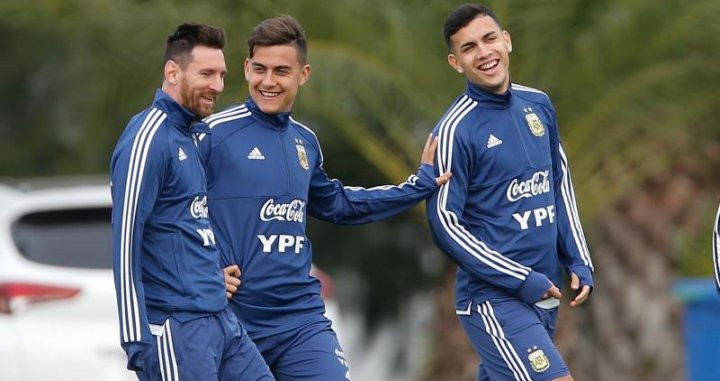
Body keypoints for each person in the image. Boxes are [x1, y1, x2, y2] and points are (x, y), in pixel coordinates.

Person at [197, 15, 450, 381]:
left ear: (304, 74)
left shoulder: (305, 142)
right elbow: (172, 211)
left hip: (302, 320)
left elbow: (339, 204)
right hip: (236, 322)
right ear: (246, 68)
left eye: (281, 71)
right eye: (259, 69)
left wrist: (418, 185)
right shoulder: (213, 135)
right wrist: (205, 271)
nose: (268, 81)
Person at [425, 4, 595, 381]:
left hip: (545, 292)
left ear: (507, 40)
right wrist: (520, 279)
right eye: (469, 48)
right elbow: (444, 223)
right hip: (494, 299)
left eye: (489, 39)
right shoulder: (455, 130)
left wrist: (578, 259)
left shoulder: (538, 104)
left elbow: (559, 184)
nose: (484, 53)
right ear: (456, 63)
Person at [110, 23, 273, 380]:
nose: (217, 85)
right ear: (173, 72)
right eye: (207, 74)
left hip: (220, 321)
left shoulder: (190, 135)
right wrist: (136, 338)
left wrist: (210, 276)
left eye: (221, 75)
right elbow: (126, 243)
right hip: (176, 328)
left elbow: (183, 224)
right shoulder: (148, 137)